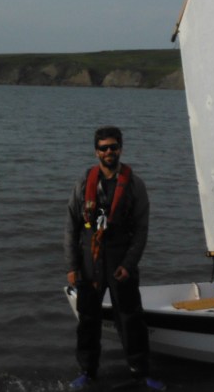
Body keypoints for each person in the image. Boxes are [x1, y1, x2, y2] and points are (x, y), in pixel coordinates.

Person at [64, 126, 164, 390]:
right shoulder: (84, 183)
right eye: (104, 147)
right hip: (89, 261)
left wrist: (129, 264)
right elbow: (71, 227)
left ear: (120, 148)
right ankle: (87, 371)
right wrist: (72, 267)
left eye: (113, 147)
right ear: (96, 151)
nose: (109, 152)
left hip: (121, 260)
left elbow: (141, 230)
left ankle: (141, 373)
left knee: (131, 319)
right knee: (88, 320)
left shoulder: (135, 185)